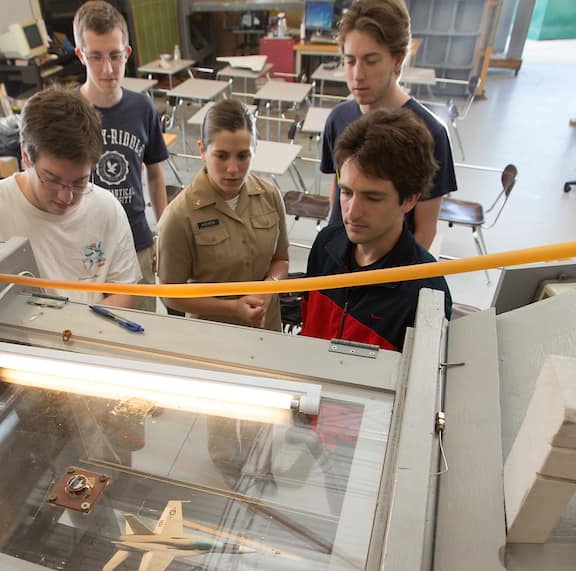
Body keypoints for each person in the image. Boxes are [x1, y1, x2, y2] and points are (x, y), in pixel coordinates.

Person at [0, 89, 140, 307]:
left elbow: (125, 290)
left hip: (91, 333)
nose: (67, 196)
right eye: (52, 179)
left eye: (80, 181)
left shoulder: (106, 208)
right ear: (26, 156)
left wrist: (78, 329)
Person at [300, 108, 452, 352]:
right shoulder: (325, 245)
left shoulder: (427, 291)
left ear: (410, 199)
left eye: (372, 197)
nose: (352, 212)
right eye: (347, 192)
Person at [319, 0, 457, 251]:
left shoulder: (430, 132)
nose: (358, 74)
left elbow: (425, 231)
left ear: (397, 61)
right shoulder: (338, 119)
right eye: (350, 61)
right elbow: (337, 197)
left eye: (371, 61)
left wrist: (391, 284)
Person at [156, 98, 290, 331]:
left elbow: (281, 260)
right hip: (212, 337)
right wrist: (233, 308)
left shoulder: (270, 196)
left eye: (242, 156)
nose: (233, 169)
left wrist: (269, 288)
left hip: (266, 331)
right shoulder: (179, 216)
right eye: (221, 156)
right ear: (202, 150)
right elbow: (169, 293)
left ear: (255, 150)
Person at [74, 0, 168, 311]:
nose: (108, 69)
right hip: (84, 243)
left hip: (136, 238)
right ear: (80, 56)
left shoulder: (142, 108)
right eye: (96, 57)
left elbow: (154, 172)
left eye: (115, 55)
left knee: (142, 327)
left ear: (127, 53)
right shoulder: (67, 112)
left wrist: (161, 231)